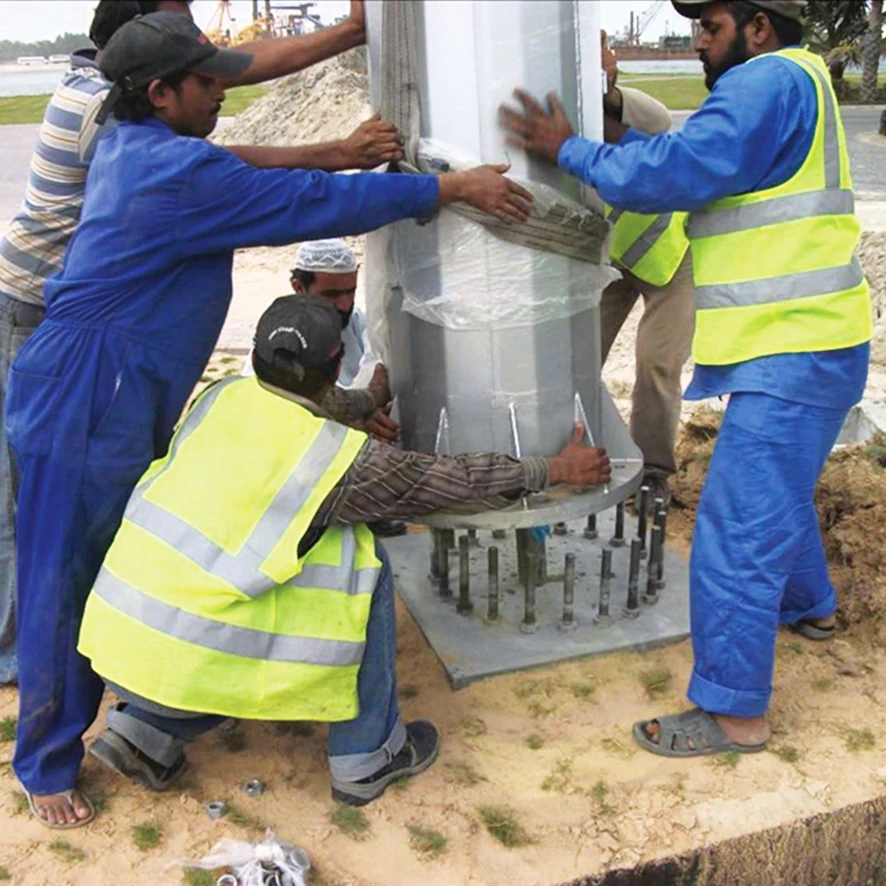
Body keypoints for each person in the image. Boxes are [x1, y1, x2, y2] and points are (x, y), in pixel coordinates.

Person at [7, 11, 532, 828]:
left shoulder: (135, 143)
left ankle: (147, 717)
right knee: (62, 571)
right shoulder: (177, 174)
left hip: (107, 383)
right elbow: (311, 201)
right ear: (162, 92)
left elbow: (249, 160)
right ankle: (44, 762)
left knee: (132, 558)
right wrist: (447, 189)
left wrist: (335, 142)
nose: (223, 90)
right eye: (209, 82)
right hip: (91, 389)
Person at [499, 0, 871, 757]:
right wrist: (603, 118)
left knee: (736, 527)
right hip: (814, 342)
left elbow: (675, 168)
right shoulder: (799, 78)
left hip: (791, 349)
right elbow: (698, 154)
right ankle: (811, 607)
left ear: (759, 26)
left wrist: (568, 148)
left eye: (711, 25)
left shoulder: (764, 82)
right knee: (777, 493)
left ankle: (735, 713)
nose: (698, 40)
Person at [0, 0, 402, 688]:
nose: (220, 79)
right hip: (49, 326)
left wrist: (345, 43)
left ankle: (99, 663)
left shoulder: (136, 121)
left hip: (100, 353)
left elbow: (220, 146)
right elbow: (243, 179)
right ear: (154, 82)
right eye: (198, 63)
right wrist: (384, 170)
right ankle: (36, 691)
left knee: (92, 523)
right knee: (44, 534)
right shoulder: (103, 113)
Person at [77, 294, 611, 809]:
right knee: (361, 563)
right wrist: (556, 469)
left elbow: (311, 400)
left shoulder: (222, 397)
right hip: (196, 650)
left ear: (257, 353)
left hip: (124, 645)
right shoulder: (337, 460)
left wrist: (372, 395)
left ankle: (146, 732)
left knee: (254, 564)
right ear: (335, 366)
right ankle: (369, 755)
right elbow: (451, 480)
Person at [597, 32, 694, 511]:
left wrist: (609, 89)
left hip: (670, 260)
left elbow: (637, 113)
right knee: (572, 357)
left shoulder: (646, 117)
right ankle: (574, 452)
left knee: (656, 363)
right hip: (610, 260)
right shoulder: (562, 132)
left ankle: (652, 470)